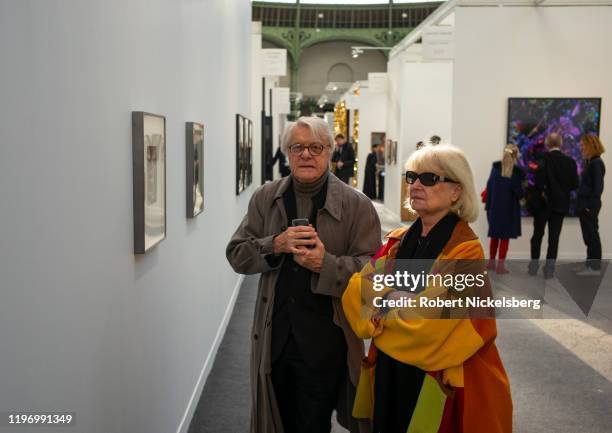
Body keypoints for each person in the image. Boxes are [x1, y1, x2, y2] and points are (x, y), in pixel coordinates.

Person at [342, 144, 512, 433]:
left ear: (456, 191)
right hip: (388, 372)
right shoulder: (397, 241)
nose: (416, 185)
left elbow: (430, 327)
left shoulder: (466, 252)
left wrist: (382, 308)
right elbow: (355, 292)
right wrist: (398, 299)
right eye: (412, 177)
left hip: (436, 381)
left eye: (430, 179)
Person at [226, 116, 381, 433]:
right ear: (287, 153)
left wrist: (326, 264)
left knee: (312, 423)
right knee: (276, 419)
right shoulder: (265, 198)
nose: (306, 154)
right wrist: (275, 243)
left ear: (330, 153)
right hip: (274, 339)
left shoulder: (357, 205)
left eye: (316, 147)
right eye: (298, 147)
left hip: (326, 341)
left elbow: (374, 276)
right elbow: (237, 255)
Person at [529, 132, 579, 278]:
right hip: (560, 205)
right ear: (561, 143)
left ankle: (533, 266)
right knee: (554, 238)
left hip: (542, 206)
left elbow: (537, 183)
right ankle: (549, 270)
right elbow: (574, 184)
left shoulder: (541, 159)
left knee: (537, 236)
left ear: (547, 144)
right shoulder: (570, 162)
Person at [485, 144, 525, 273]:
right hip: (509, 210)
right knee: (504, 238)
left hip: (494, 209)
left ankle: (491, 262)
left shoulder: (495, 169)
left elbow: (489, 188)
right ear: (515, 155)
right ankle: (500, 266)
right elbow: (519, 193)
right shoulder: (517, 173)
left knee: (494, 236)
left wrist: (488, 208)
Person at [576, 134, 606, 276]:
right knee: (588, 236)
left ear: (590, 145)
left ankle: (594, 268)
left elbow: (598, 187)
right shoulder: (591, 162)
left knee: (592, 236)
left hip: (590, 205)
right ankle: (589, 265)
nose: (580, 147)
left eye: (582, 145)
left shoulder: (596, 163)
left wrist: (590, 206)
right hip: (585, 204)